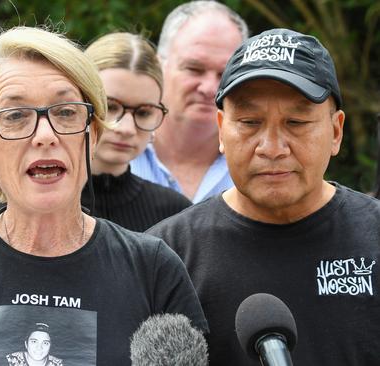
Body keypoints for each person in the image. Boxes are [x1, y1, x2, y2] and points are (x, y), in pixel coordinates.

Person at [0, 26, 207, 365]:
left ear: (94, 133)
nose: (45, 135)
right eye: (15, 116)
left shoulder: (154, 269)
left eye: (66, 112)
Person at [147, 28, 380, 365]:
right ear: (221, 129)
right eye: (249, 122)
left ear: (335, 131)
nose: (272, 148)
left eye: (297, 122)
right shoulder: (165, 258)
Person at [131, 1, 248, 203]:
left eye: (223, 73)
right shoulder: (112, 153)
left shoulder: (257, 165)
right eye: (194, 69)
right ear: (159, 66)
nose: (209, 87)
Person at [81, 32, 191, 232]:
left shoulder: (176, 214)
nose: (127, 129)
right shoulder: (36, 205)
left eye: (143, 112)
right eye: (110, 107)